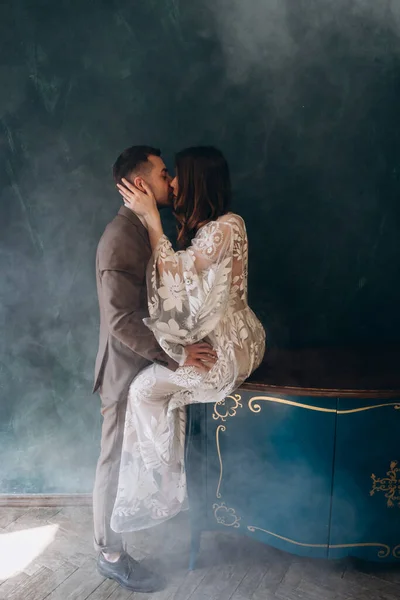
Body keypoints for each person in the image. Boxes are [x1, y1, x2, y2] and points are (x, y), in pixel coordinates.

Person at [111, 146, 266, 534]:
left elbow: (177, 282)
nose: (174, 182)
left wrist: (151, 221)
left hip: (224, 356)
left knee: (143, 391)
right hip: (247, 339)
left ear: (197, 180)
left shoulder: (218, 230)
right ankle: (170, 484)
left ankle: (165, 488)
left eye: (177, 174)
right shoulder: (233, 222)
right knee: (170, 391)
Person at [93, 146, 218, 593]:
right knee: (112, 458)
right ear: (142, 184)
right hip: (127, 371)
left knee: (126, 459)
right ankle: (109, 553)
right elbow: (121, 321)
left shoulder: (141, 228)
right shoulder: (119, 238)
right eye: (165, 174)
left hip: (150, 366)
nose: (172, 181)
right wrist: (178, 356)